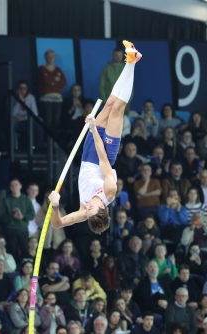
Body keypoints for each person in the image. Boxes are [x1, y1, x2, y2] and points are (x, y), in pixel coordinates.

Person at [48, 41, 141, 234]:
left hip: (88, 154)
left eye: (87, 210)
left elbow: (57, 224)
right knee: (117, 110)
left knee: (108, 104)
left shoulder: (84, 212)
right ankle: (131, 63)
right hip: (105, 153)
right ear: (103, 208)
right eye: (92, 208)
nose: (87, 206)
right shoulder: (109, 191)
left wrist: (55, 206)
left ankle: (131, 61)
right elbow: (104, 159)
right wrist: (93, 129)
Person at [0, 178, 34, 261]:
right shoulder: (6, 200)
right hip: (11, 230)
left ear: (20, 186)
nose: (14, 187)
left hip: (23, 230)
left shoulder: (26, 199)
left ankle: (25, 269)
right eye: (12, 185)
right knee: (12, 251)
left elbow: (32, 215)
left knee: (24, 251)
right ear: (10, 188)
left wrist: (23, 217)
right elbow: (2, 217)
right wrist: (12, 216)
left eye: (16, 185)